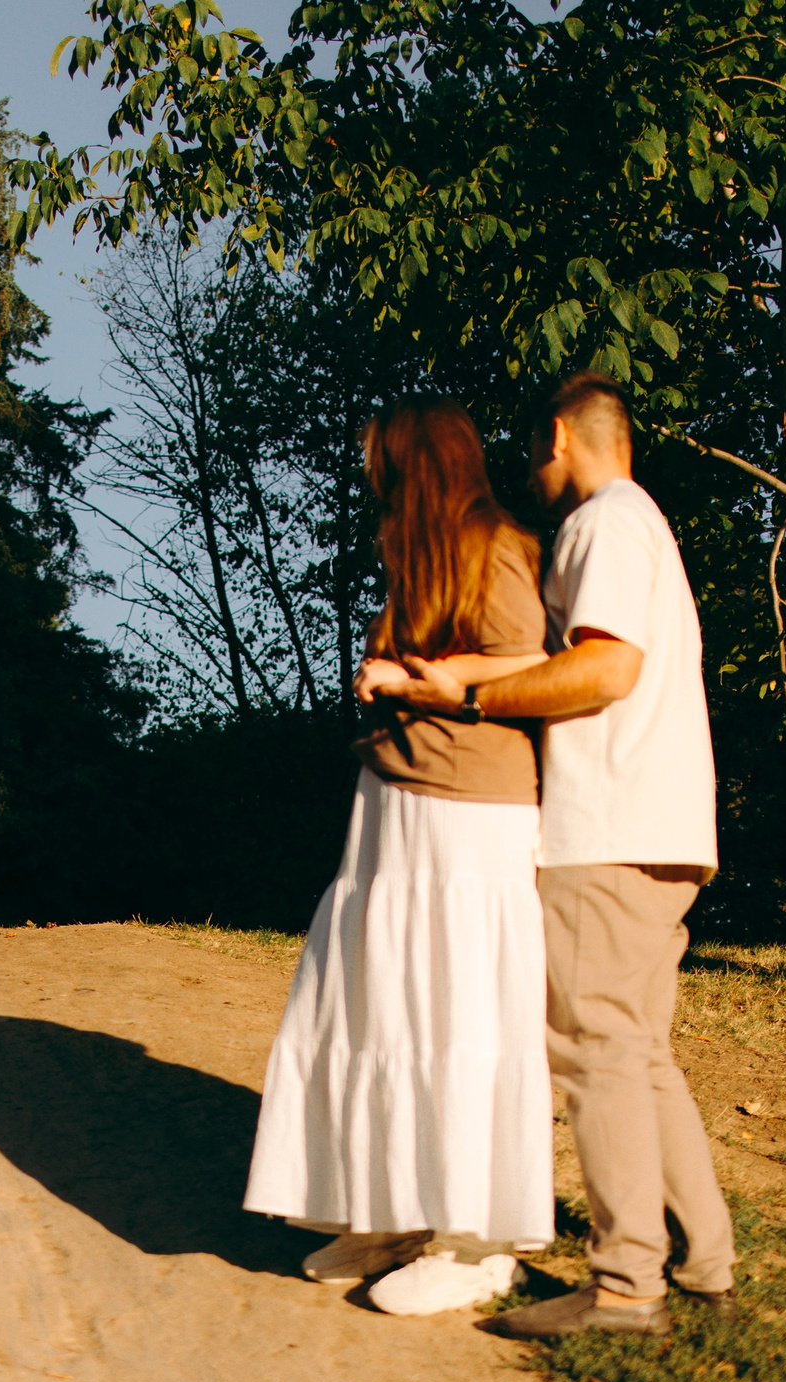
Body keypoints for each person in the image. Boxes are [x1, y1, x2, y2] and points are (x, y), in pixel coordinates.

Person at [375, 371, 734, 1338]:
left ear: (562, 439)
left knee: (592, 1047)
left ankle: (626, 1285)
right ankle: (705, 1259)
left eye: (533, 450)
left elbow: (606, 666)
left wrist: (473, 699)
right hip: (668, 825)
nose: (528, 471)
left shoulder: (602, 524)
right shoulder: (645, 523)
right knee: (640, 1047)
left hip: (609, 826)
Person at [242, 397, 556, 1317]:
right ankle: (389, 1210)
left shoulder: (495, 543)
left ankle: (477, 1242)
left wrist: (422, 681)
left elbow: (525, 660)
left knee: (456, 1009)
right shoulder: (413, 548)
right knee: (381, 1003)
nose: (368, 464)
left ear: (420, 458)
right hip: (395, 799)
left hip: (471, 810)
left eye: (379, 452)